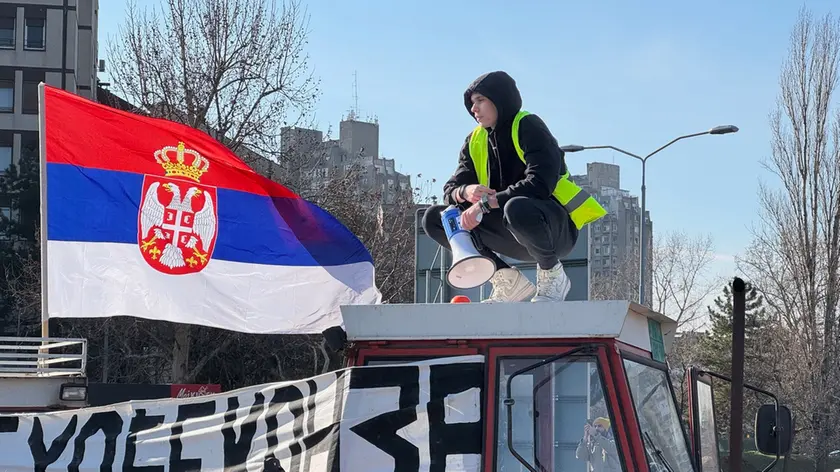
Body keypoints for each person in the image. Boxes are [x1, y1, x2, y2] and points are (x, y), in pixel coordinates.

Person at [422, 71, 606, 302]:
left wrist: (484, 204)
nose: (473, 109)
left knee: (516, 206)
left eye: (480, 100)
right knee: (436, 217)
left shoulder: (528, 125)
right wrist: (465, 192)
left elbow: (540, 183)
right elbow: (450, 189)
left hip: (551, 229)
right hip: (506, 232)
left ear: (499, 100)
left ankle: (552, 274)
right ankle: (507, 280)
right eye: (471, 103)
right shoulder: (474, 140)